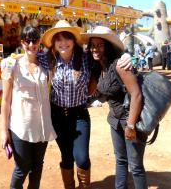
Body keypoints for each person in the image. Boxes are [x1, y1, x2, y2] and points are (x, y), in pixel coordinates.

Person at [40, 20, 132, 189]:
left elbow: (107, 55)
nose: (63, 43)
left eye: (66, 38)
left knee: (81, 158)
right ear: (54, 43)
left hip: (79, 115)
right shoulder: (48, 60)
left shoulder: (85, 58)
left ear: (73, 40)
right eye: (58, 39)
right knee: (66, 157)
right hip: (57, 115)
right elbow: (29, 57)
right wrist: (11, 60)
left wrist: (126, 56)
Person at [81, 26, 148, 189]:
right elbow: (102, 94)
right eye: (93, 45)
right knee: (121, 160)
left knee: (136, 166)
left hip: (132, 121)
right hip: (115, 121)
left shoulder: (119, 65)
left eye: (100, 45)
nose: (95, 49)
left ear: (108, 46)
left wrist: (131, 125)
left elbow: (136, 95)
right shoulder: (99, 69)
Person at [0, 25, 57, 189]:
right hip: (21, 126)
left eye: (35, 40)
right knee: (22, 168)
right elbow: (5, 100)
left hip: (42, 126)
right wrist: (4, 131)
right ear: (22, 42)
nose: (31, 45)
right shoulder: (10, 65)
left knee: (37, 167)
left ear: (39, 42)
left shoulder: (45, 63)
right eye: (27, 41)